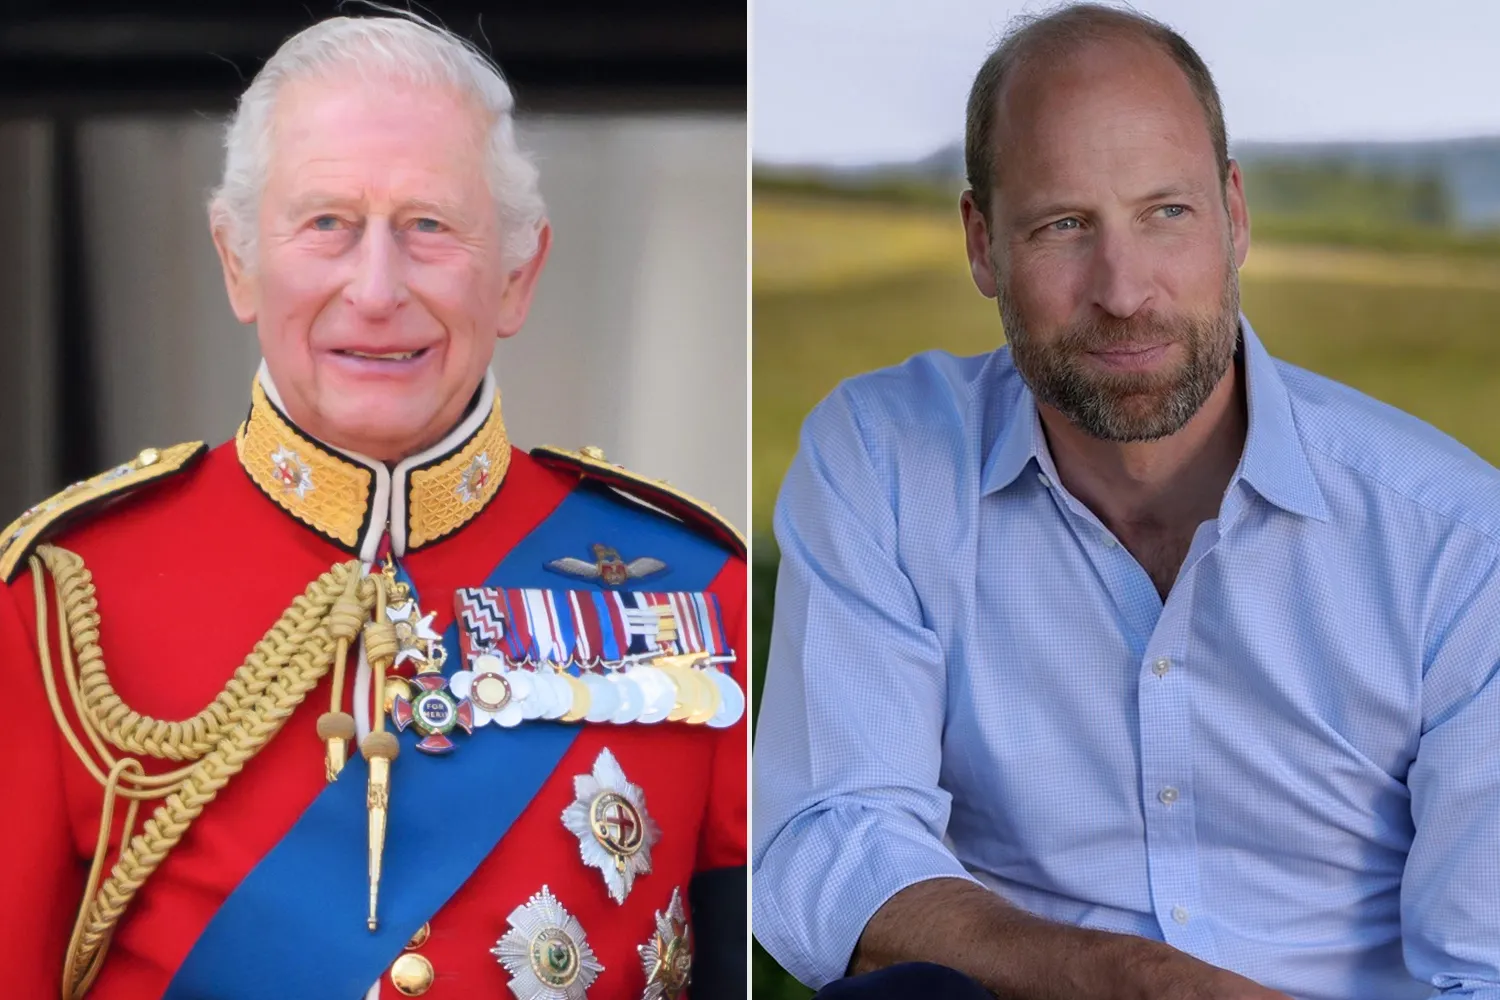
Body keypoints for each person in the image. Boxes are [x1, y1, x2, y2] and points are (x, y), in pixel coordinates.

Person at [752, 5, 1500, 1000]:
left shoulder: (1458, 540)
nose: (1123, 288)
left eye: (1167, 213)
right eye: (1064, 225)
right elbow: (828, 835)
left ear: (1234, 216)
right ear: (982, 243)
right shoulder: (885, 460)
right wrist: (1125, 978)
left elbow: (1483, 964)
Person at [0, 13, 746, 1000]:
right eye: (327, 224)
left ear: (517, 274)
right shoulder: (62, 598)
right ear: (236, 260)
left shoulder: (698, 587)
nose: (377, 287)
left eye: (430, 225)